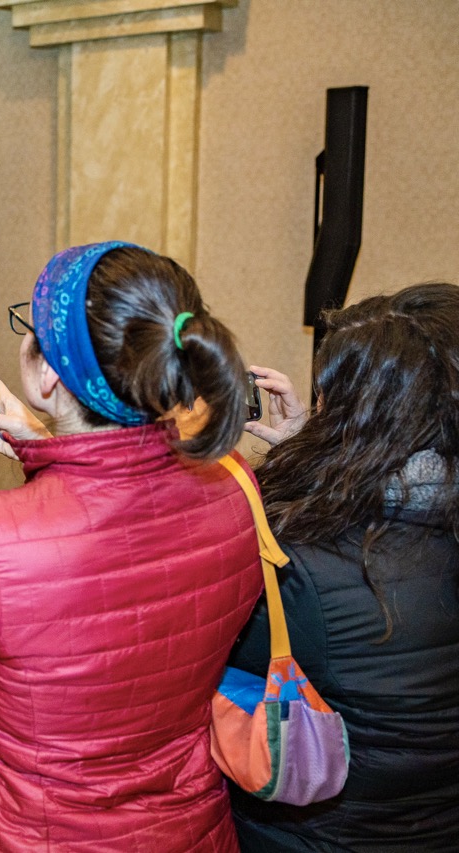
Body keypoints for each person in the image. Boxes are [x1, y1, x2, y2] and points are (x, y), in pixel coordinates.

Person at [0, 242, 264, 850]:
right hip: (187, 829)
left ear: (47, 373)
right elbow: (109, 524)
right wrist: (42, 441)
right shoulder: (235, 481)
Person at [228, 282, 459, 851]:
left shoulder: (308, 569)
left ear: (360, 417)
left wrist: (304, 465)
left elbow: (199, 653)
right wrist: (318, 451)